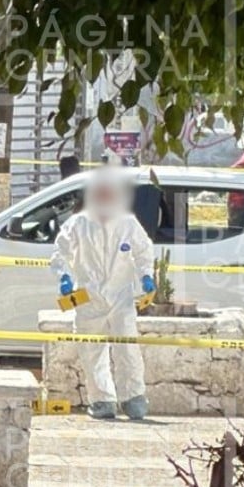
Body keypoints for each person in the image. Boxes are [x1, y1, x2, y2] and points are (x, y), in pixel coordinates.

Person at [50, 167, 155, 419]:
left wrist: (147, 276)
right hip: (88, 297)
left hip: (121, 297)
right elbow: (60, 252)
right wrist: (64, 277)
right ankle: (102, 400)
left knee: (127, 347)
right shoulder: (78, 224)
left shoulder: (128, 223)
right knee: (91, 350)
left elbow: (143, 251)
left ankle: (133, 397)